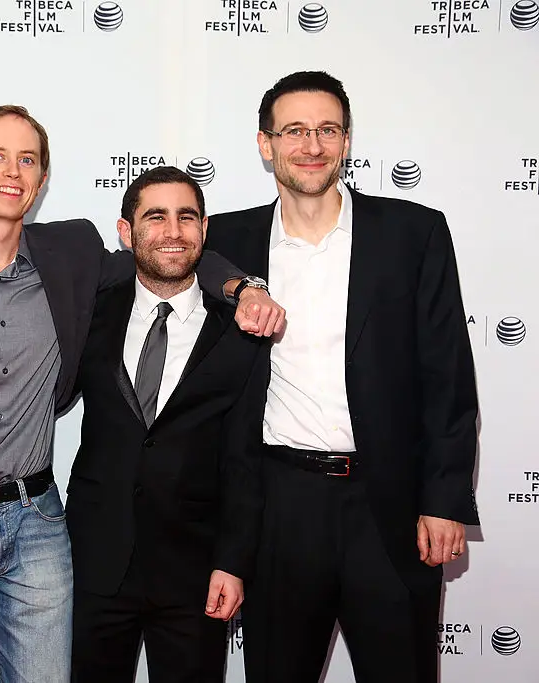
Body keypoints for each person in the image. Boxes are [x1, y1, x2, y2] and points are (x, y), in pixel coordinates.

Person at [0, 105, 284, 683]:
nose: (13, 170)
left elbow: (170, 257)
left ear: (41, 177)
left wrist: (241, 285)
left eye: (27, 159)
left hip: (37, 523)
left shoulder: (72, 258)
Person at [204, 70, 479, 683]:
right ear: (264, 143)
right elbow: (147, 264)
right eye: (294, 130)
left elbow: (448, 376)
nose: (312, 145)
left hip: (388, 508)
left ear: (348, 141)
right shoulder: (224, 240)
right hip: (278, 507)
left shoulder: (414, 233)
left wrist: (442, 500)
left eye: (327, 130)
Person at [67, 166, 270, 683]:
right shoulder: (92, 310)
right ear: (125, 231)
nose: (173, 232)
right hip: (95, 562)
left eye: (187, 217)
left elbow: (245, 457)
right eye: (155, 217)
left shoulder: (241, 333)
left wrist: (232, 561)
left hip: (196, 571)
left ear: (204, 230)